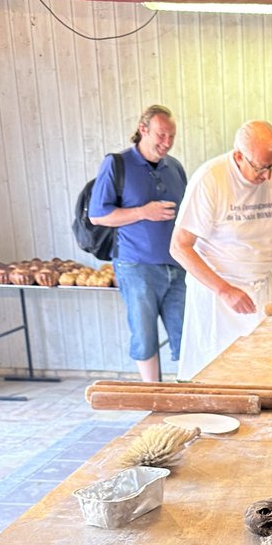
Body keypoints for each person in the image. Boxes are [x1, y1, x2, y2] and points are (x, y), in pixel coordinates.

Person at [170, 120, 272, 380]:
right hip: (217, 297)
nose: (267, 175)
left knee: (260, 371)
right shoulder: (211, 179)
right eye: (261, 168)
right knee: (216, 377)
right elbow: (179, 246)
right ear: (238, 156)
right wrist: (225, 290)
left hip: (260, 291)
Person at [88, 104, 187, 382]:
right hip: (136, 265)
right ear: (143, 129)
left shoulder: (175, 167)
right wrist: (144, 212)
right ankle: (153, 396)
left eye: (172, 136)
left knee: (186, 333)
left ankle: (189, 390)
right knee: (144, 335)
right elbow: (97, 215)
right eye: (161, 135)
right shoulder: (116, 164)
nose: (166, 143)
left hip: (178, 266)